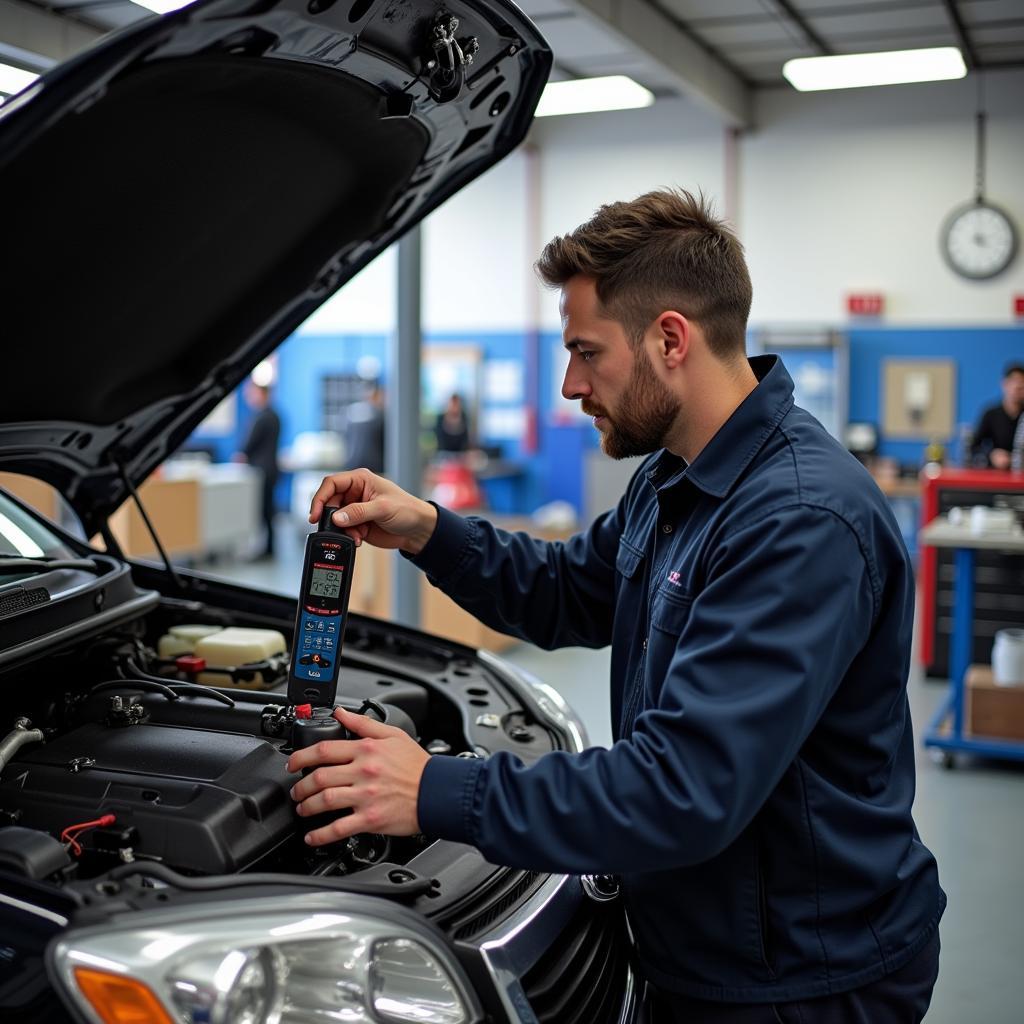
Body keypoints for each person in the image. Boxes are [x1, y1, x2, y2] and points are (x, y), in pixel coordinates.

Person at [288, 190, 945, 1023]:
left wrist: (435, 788)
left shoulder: (799, 520)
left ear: (670, 339)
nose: (570, 384)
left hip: (799, 981)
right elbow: (567, 590)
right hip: (700, 942)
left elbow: (683, 788)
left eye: (586, 353)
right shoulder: (674, 477)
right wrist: (427, 530)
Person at [239, 380, 281, 559]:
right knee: (268, 510)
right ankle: (269, 547)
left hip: (261, 470)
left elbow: (249, 445)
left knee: (264, 510)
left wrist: (242, 455)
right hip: (271, 468)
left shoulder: (262, 417)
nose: (249, 397)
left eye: (252, 393)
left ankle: (266, 549)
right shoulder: (275, 416)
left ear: (261, 393)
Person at [971, 362, 1024, 469]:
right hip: (997, 475)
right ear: (1004, 384)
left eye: (1022, 383)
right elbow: (974, 447)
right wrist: (991, 455)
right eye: (1014, 382)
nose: (1018, 387)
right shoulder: (991, 414)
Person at [345, 382, 386, 474]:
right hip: (374, 467)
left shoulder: (352, 413)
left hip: (353, 465)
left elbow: (347, 438)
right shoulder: (381, 415)